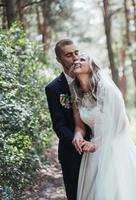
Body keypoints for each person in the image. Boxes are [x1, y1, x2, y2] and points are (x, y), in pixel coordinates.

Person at [70, 54, 136, 200]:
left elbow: (121, 124)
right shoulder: (77, 94)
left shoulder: (107, 89)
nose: (76, 61)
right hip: (93, 153)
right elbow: (79, 124)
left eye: (82, 59)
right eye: (75, 60)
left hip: (113, 149)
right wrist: (79, 135)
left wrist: (97, 144)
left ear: (92, 67)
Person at [45, 39, 90, 200]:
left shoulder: (94, 81)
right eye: (69, 55)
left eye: (76, 52)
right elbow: (58, 124)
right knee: (75, 195)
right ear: (59, 60)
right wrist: (77, 141)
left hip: (98, 149)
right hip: (71, 152)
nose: (75, 58)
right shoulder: (53, 88)